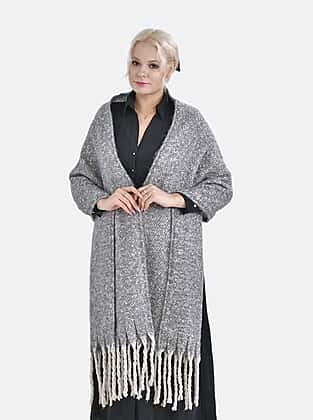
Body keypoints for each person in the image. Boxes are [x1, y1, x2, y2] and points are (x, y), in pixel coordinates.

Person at [69, 28, 233, 420]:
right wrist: (104, 200)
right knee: (121, 367)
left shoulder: (190, 124)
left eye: (153, 65)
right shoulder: (107, 117)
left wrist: (173, 197)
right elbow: (80, 177)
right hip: (118, 267)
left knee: (171, 366)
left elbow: (221, 183)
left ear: (170, 69)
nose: (142, 72)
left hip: (171, 268)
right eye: (135, 62)